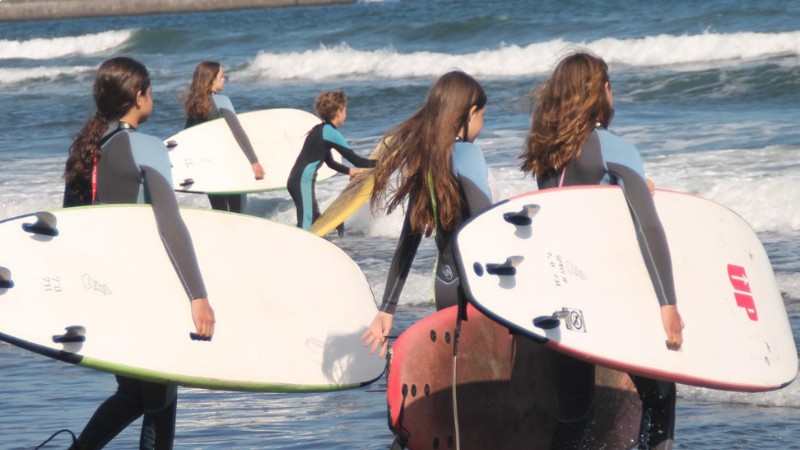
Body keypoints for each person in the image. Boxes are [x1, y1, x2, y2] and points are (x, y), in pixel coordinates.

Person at [520, 51, 684, 450]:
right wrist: (668, 303)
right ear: (602, 91)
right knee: (660, 395)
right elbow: (648, 225)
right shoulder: (612, 147)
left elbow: (577, 211)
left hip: (557, 292)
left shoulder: (546, 154)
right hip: (606, 295)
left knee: (575, 413)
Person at [63, 56, 215, 450]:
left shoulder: (85, 150)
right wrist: (198, 295)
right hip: (146, 292)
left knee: (133, 393)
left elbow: (71, 228)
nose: (153, 98)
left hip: (102, 291)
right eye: (151, 91)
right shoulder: (145, 146)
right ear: (138, 95)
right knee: (160, 396)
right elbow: (170, 225)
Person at [361, 70, 491, 358]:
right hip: (479, 288)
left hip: (445, 284)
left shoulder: (430, 162)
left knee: (455, 369)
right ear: (470, 113)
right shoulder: (468, 154)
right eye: (482, 116)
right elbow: (487, 225)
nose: (482, 125)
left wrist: (387, 309)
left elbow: (408, 241)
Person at [287, 90, 375, 231]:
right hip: (302, 181)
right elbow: (357, 161)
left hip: (296, 180)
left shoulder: (320, 129)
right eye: (345, 110)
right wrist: (383, 163)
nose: (346, 114)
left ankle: (325, 241)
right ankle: (297, 245)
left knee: (316, 221)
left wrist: (349, 171)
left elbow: (330, 162)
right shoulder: (330, 132)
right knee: (306, 224)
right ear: (338, 111)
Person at [183, 61, 265, 213]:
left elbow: (186, 136)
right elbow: (238, 132)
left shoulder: (194, 106)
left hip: (209, 169)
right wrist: (254, 161)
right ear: (211, 79)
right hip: (229, 165)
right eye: (221, 76)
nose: (224, 79)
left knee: (219, 211)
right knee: (237, 212)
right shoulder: (221, 101)